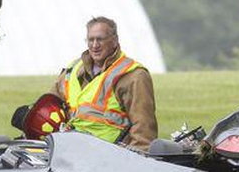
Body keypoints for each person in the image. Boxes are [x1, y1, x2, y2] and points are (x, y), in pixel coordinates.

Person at [49, 16, 158, 150]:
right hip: (70, 153)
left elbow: (143, 129)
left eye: (100, 39)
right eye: (91, 40)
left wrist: (137, 161)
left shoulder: (134, 75)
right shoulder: (73, 70)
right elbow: (49, 106)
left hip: (109, 158)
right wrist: (31, 115)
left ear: (114, 41)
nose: (95, 45)